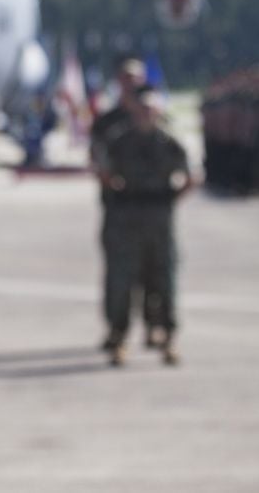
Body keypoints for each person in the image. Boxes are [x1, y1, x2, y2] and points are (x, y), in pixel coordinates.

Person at [100, 85, 192, 366]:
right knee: (123, 280)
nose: (146, 115)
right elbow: (104, 170)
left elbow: (190, 176)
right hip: (128, 216)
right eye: (142, 110)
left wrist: (169, 199)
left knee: (163, 277)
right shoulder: (120, 140)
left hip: (159, 218)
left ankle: (167, 335)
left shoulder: (170, 141)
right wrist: (121, 194)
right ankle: (119, 336)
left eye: (151, 110)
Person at [90, 56, 164, 349]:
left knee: (155, 270)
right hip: (119, 208)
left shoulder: (157, 117)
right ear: (118, 82)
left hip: (154, 210)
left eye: (136, 78)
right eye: (125, 78)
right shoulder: (108, 122)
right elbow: (95, 159)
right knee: (119, 272)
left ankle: (154, 325)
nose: (131, 84)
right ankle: (116, 329)